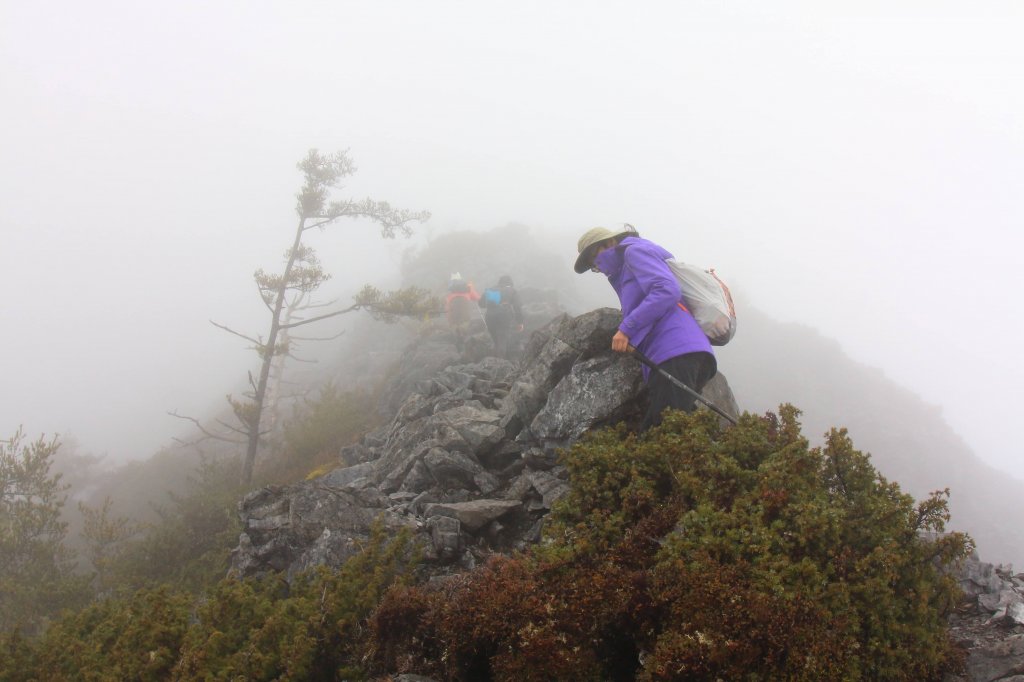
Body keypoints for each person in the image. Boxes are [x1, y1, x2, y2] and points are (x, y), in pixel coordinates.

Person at [574, 226, 716, 430]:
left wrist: (626, 330)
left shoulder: (634, 252)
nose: (598, 269)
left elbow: (667, 290)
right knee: (677, 429)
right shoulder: (625, 268)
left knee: (662, 433)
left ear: (609, 243)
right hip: (677, 353)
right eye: (593, 267)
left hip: (676, 352)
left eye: (595, 261)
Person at [479, 275, 524, 359]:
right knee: (502, 340)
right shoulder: (512, 290)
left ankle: (493, 362)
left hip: (489, 317)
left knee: (496, 340)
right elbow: (517, 306)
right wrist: (520, 322)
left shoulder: (490, 289)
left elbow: (481, 304)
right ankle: (500, 365)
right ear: (510, 283)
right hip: (504, 317)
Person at [445, 272, 481, 349]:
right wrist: (472, 288)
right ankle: (466, 347)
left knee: (455, 329)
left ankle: (457, 348)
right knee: (464, 328)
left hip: (453, 309)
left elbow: (447, 305)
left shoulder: (450, 290)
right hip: (464, 309)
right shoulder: (468, 287)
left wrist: (449, 319)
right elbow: (477, 298)